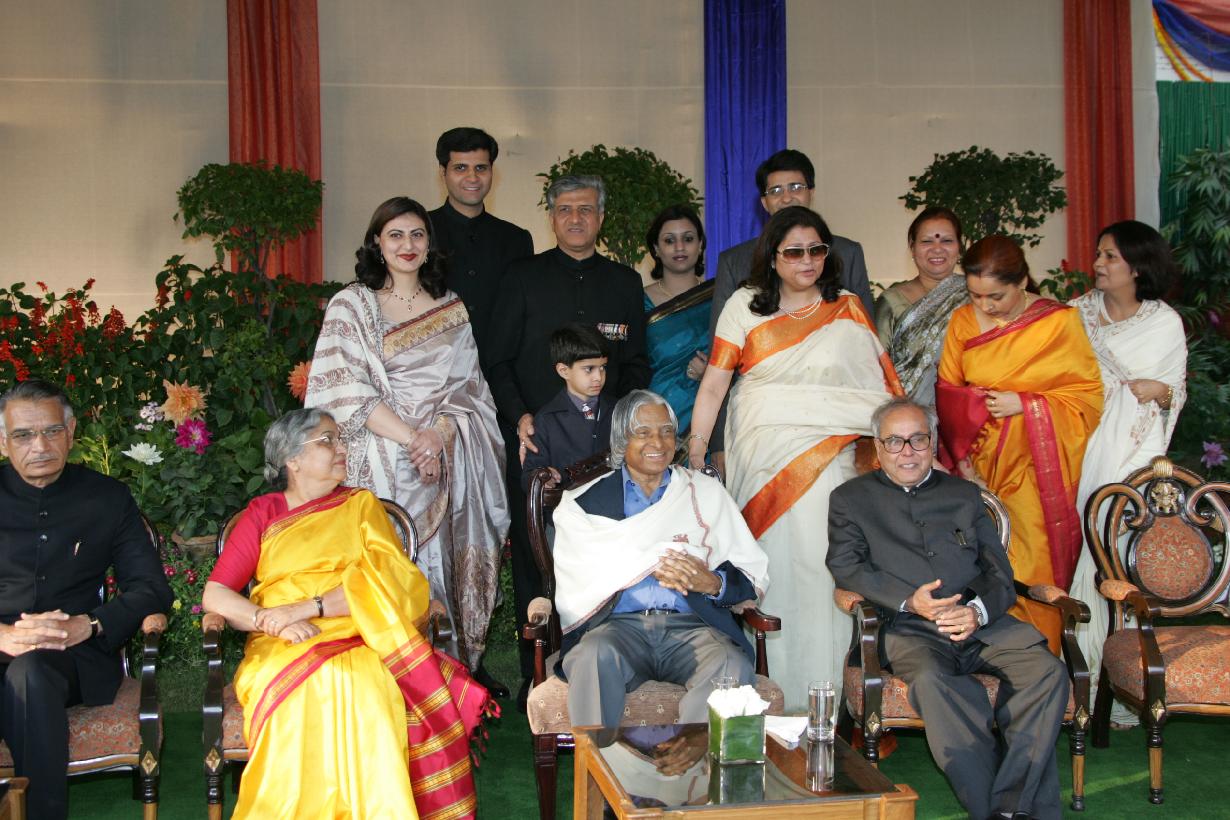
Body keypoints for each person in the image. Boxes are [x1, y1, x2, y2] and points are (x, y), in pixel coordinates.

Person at [202, 408, 489, 819]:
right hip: (281, 642)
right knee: (305, 688)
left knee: (365, 680)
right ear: (292, 459)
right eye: (327, 441)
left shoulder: (360, 505)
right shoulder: (263, 513)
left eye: (341, 439)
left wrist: (309, 607)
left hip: (361, 631)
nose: (342, 449)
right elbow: (216, 593)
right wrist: (270, 621)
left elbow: (390, 581)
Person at [687, 206, 902, 707]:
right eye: (795, 252)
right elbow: (716, 382)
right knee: (774, 565)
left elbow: (874, 389)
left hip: (833, 457)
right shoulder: (745, 305)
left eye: (816, 250)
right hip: (763, 451)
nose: (807, 261)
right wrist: (696, 449)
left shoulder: (846, 307)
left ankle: (830, 695)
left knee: (824, 564)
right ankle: (771, 690)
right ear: (773, 257)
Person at [304, 196, 509, 696]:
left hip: (446, 456)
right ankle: (388, 678)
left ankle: (452, 671)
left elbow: (470, 388)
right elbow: (345, 388)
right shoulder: (352, 305)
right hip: (379, 460)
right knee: (390, 562)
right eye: (395, 235)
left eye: (417, 234)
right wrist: (413, 439)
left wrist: (438, 435)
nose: (407, 245)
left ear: (430, 243)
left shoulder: (450, 307)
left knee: (442, 562)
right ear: (377, 242)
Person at [827, 397, 1069, 820]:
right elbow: (845, 566)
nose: (907, 452)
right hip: (909, 629)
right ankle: (1002, 810)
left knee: (1046, 672)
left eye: (918, 440)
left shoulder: (965, 494)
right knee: (935, 684)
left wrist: (976, 611)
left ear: (932, 442)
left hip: (983, 627)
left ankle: (1008, 808)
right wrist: (910, 600)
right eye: (895, 441)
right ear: (878, 447)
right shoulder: (850, 498)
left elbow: (1000, 573)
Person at [485, 175, 651, 705]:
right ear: (551, 217)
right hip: (539, 439)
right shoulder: (522, 277)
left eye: (585, 209)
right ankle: (538, 672)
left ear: (600, 217)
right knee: (536, 549)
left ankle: (613, 659)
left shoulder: (623, 282)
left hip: (608, 445)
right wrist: (520, 416)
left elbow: (637, 361)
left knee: (612, 543)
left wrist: (623, 422)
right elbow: (497, 359)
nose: (575, 219)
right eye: (564, 209)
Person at [0, 379, 173, 820]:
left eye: (52, 431)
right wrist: (3, 635)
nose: (40, 446)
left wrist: (89, 624)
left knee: (30, 673)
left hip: (70, 657)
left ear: (72, 432)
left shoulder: (107, 498)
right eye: (23, 435)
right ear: (3, 441)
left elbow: (151, 587)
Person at [549, 390, 769, 729]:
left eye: (667, 431)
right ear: (622, 439)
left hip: (694, 627)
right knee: (592, 656)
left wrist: (712, 582)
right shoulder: (583, 505)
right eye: (644, 432)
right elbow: (575, 585)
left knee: (731, 666)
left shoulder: (704, 493)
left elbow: (749, 572)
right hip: (617, 629)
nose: (658, 442)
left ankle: (692, 758)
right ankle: (599, 762)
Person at [936, 236, 1103, 652]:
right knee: (977, 562)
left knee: (1030, 562)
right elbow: (949, 394)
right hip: (978, 461)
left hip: (1037, 467)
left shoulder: (1058, 322)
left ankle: (1038, 659)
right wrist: (962, 462)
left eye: (996, 296)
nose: (986, 305)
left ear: (1022, 282)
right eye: (976, 295)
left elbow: (1086, 397)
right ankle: (981, 660)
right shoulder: (963, 321)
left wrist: (1026, 404)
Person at [1069, 220, 1187, 718]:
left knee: (1113, 558)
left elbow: (1175, 392)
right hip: (1078, 447)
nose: (1098, 263)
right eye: (1099, 254)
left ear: (1137, 266)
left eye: (1110, 256)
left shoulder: (1164, 323)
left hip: (1131, 456)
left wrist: (1164, 392)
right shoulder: (1076, 314)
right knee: (1078, 552)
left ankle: (1117, 683)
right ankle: (1076, 677)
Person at [706, 149, 875, 465]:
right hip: (759, 429)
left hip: (833, 425)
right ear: (764, 202)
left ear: (811, 192)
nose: (787, 197)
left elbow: (867, 353)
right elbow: (720, 364)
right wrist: (718, 444)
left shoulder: (847, 253)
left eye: (796, 187)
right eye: (776, 190)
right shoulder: (735, 261)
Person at [428, 126, 534, 361]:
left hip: (499, 370)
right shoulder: (420, 233)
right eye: (460, 168)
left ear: (492, 171)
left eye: (481, 168)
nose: (472, 177)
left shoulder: (516, 239)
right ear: (442, 172)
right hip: (434, 370)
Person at [874, 206, 968, 407]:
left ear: (959, 247)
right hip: (906, 415)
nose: (937, 249)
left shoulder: (975, 296)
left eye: (947, 241)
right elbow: (877, 368)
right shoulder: (892, 301)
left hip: (964, 411)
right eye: (927, 241)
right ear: (912, 247)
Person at [643, 204, 713, 435]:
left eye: (688, 239)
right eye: (669, 240)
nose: (680, 247)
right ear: (656, 249)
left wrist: (711, 375)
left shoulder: (720, 297)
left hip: (711, 417)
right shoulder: (638, 302)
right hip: (656, 418)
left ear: (700, 244)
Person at [521, 323, 614, 492]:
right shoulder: (546, 419)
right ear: (564, 371)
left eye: (603, 368)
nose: (598, 377)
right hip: (568, 505)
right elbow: (529, 474)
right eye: (589, 369)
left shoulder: (619, 410)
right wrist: (543, 476)